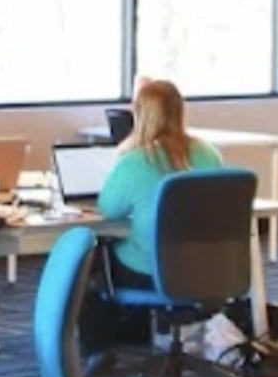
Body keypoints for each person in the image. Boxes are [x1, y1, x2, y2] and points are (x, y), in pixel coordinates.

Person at [94, 77, 232, 285]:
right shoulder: (209, 154)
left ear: (139, 114)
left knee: (93, 259)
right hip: (202, 268)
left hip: (149, 270)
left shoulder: (134, 161)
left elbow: (108, 209)